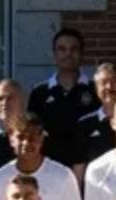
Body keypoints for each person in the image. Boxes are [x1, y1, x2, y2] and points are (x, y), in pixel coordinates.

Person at [28, 27, 95, 167]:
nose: (68, 54)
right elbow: (32, 131)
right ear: (54, 54)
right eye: (62, 49)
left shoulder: (95, 90)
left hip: (87, 170)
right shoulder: (40, 92)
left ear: (82, 54)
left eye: (73, 49)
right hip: (50, 169)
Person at [71, 62, 116, 168]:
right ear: (96, 88)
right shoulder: (84, 124)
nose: (109, 87)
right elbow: (79, 166)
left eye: (114, 81)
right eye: (103, 82)